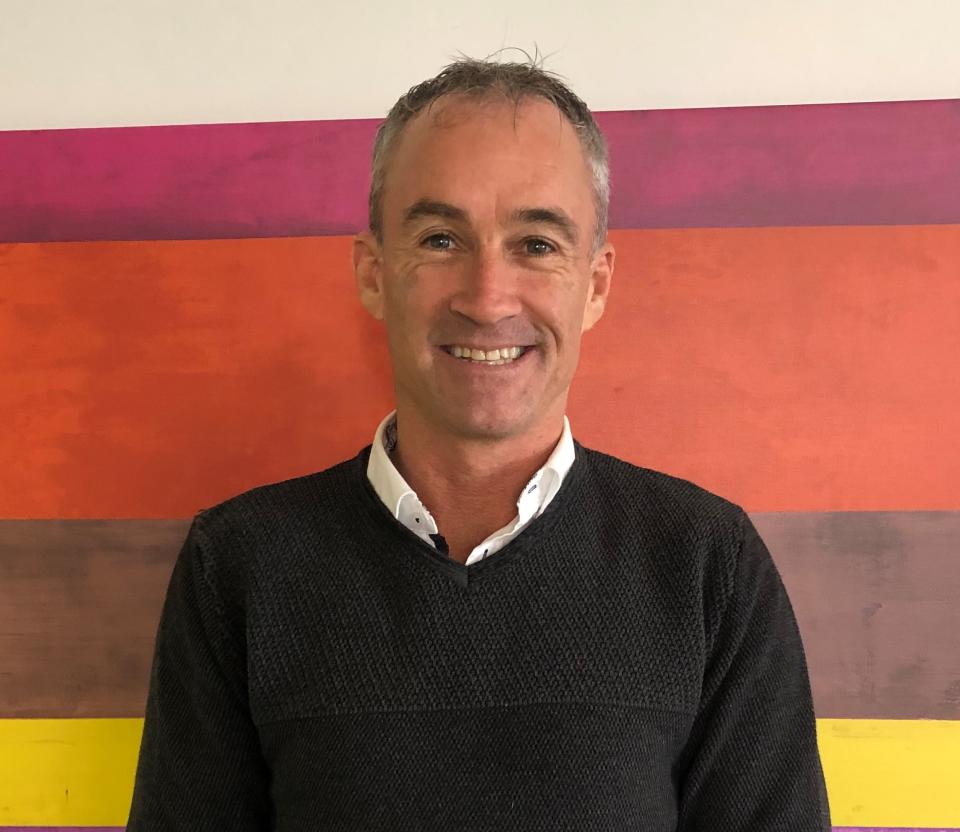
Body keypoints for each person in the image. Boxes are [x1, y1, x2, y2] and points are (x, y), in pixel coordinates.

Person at [126, 57, 832, 830]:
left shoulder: (706, 568)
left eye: (535, 244)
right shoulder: (239, 567)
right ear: (372, 272)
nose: (487, 297)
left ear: (594, 284)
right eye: (439, 238)